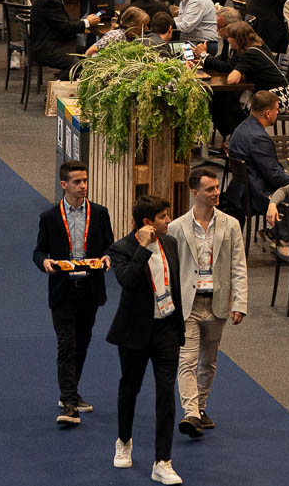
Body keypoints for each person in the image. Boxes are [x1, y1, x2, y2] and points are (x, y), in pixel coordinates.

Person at [107, 195, 185, 484]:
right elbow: (127, 280)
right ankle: (123, 441)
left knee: (166, 394)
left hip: (166, 329)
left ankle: (162, 461)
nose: (169, 221)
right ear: (146, 222)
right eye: (163, 217)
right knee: (130, 389)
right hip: (135, 331)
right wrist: (142, 247)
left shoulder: (171, 243)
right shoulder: (121, 248)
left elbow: (173, 284)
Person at [164, 167, 245, 437]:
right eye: (209, 189)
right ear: (194, 192)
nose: (216, 193)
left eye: (216, 188)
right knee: (186, 360)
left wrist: (239, 303)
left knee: (208, 362)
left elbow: (239, 266)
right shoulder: (176, 228)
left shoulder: (231, 225)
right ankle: (191, 413)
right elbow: (169, 269)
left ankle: (200, 407)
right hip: (188, 305)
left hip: (217, 304)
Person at [38, 159, 116, 425]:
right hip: (63, 290)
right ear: (64, 184)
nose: (83, 186)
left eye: (85, 181)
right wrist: (44, 262)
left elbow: (108, 245)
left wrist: (107, 257)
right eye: (77, 182)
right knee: (66, 345)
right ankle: (69, 402)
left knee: (82, 344)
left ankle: (71, 392)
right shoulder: (49, 218)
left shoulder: (100, 213)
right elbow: (39, 251)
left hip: (90, 289)